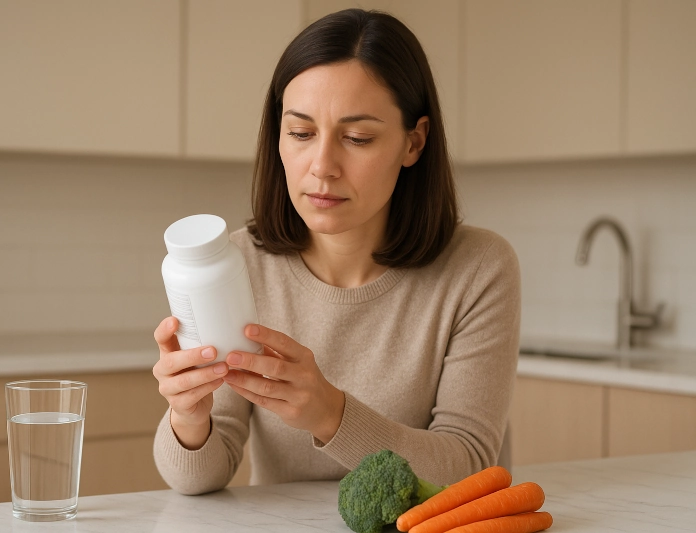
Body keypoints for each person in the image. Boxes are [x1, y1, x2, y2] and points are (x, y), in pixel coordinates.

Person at [152, 8, 521, 495]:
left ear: (414, 142)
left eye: (357, 138)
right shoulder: (236, 264)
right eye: (301, 133)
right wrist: (188, 417)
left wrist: (330, 413)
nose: (322, 166)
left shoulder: (478, 269)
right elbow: (199, 478)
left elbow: (469, 467)